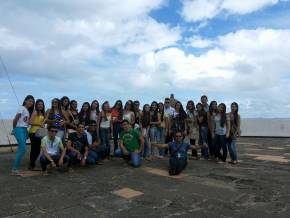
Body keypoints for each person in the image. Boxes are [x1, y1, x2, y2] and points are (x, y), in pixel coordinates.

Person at [11, 95, 35, 175]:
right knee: (23, 149)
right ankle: (14, 169)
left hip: (24, 130)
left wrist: (26, 131)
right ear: (25, 101)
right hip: (19, 129)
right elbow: (15, 119)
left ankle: (16, 168)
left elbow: (25, 122)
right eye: (29, 101)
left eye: (32, 101)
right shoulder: (21, 108)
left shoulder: (27, 110)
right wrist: (14, 129)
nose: (31, 103)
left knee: (21, 149)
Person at [28, 99, 45, 170]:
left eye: (41, 104)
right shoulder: (35, 112)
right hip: (34, 132)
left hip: (39, 132)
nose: (40, 106)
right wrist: (39, 124)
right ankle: (32, 165)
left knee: (37, 150)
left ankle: (32, 164)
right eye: (39, 104)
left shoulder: (41, 113)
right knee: (34, 149)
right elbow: (30, 122)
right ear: (36, 105)